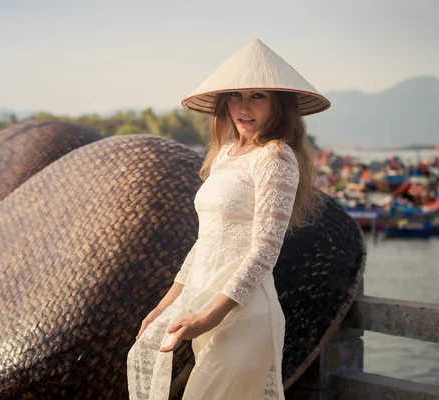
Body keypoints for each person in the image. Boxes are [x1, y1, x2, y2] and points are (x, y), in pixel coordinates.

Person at [127, 39, 330, 400]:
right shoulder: (224, 155)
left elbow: (265, 252)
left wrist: (211, 317)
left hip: (243, 316)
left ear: (278, 104)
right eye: (236, 94)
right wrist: (163, 307)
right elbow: (204, 244)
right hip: (207, 312)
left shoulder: (276, 157)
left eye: (258, 96)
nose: (244, 106)